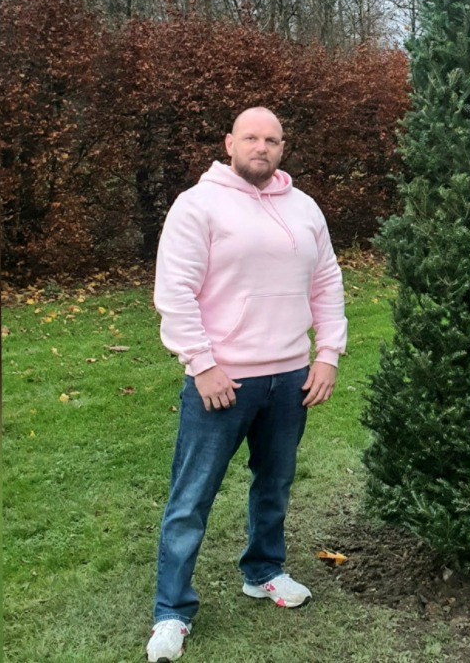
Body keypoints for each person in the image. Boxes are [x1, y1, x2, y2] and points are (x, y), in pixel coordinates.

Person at [146, 107, 347, 663]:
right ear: (230, 142)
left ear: (283, 148)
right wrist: (202, 364)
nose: (262, 146)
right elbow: (175, 292)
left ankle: (263, 573)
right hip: (224, 379)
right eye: (252, 137)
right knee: (192, 498)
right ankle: (172, 611)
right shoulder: (198, 205)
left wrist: (327, 354)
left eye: (273, 139)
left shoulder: (305, 208)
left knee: (274, 484)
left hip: (289, 378)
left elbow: (327, 283)